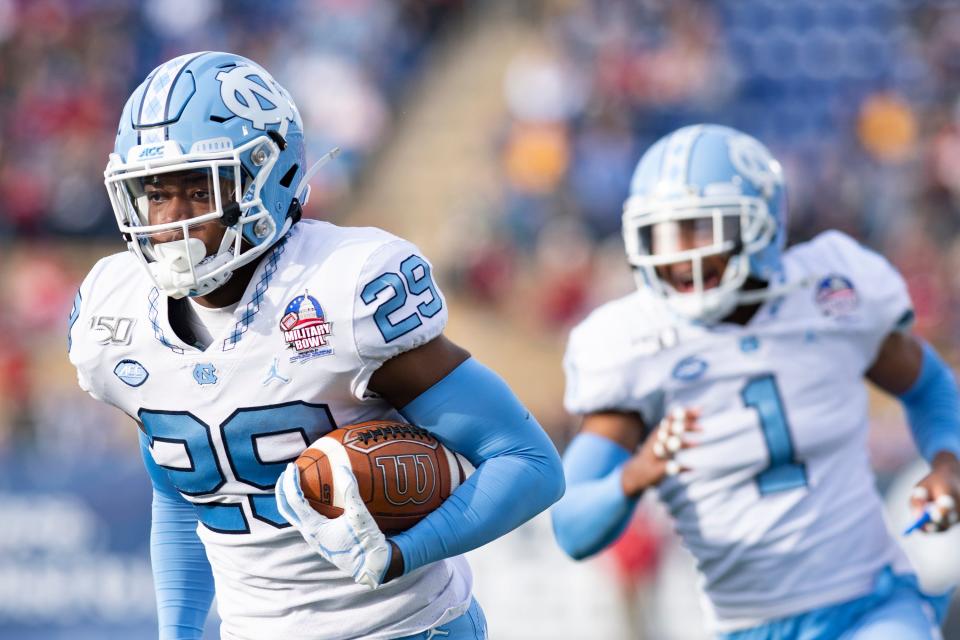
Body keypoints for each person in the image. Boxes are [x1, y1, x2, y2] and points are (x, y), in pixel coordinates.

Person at [67, 51, 564, 640]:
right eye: (155, 192)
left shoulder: (344, 286)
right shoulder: (114, 311)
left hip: (406, 630)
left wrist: (401, 553)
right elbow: (181, 489)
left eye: (199, 190)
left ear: (267, 178)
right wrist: (177, 632)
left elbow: (528, 462)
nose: (172, 221)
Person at [551, 124, 960, 639]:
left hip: (870, 604)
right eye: (664, 233)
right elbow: (572, 528)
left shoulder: (830, 289)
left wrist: (949, 462)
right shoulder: (634, 344)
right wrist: (634, 476)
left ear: (760, 224)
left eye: (700, 228)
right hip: (747, 627)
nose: (680, 255)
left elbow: (930, 387)